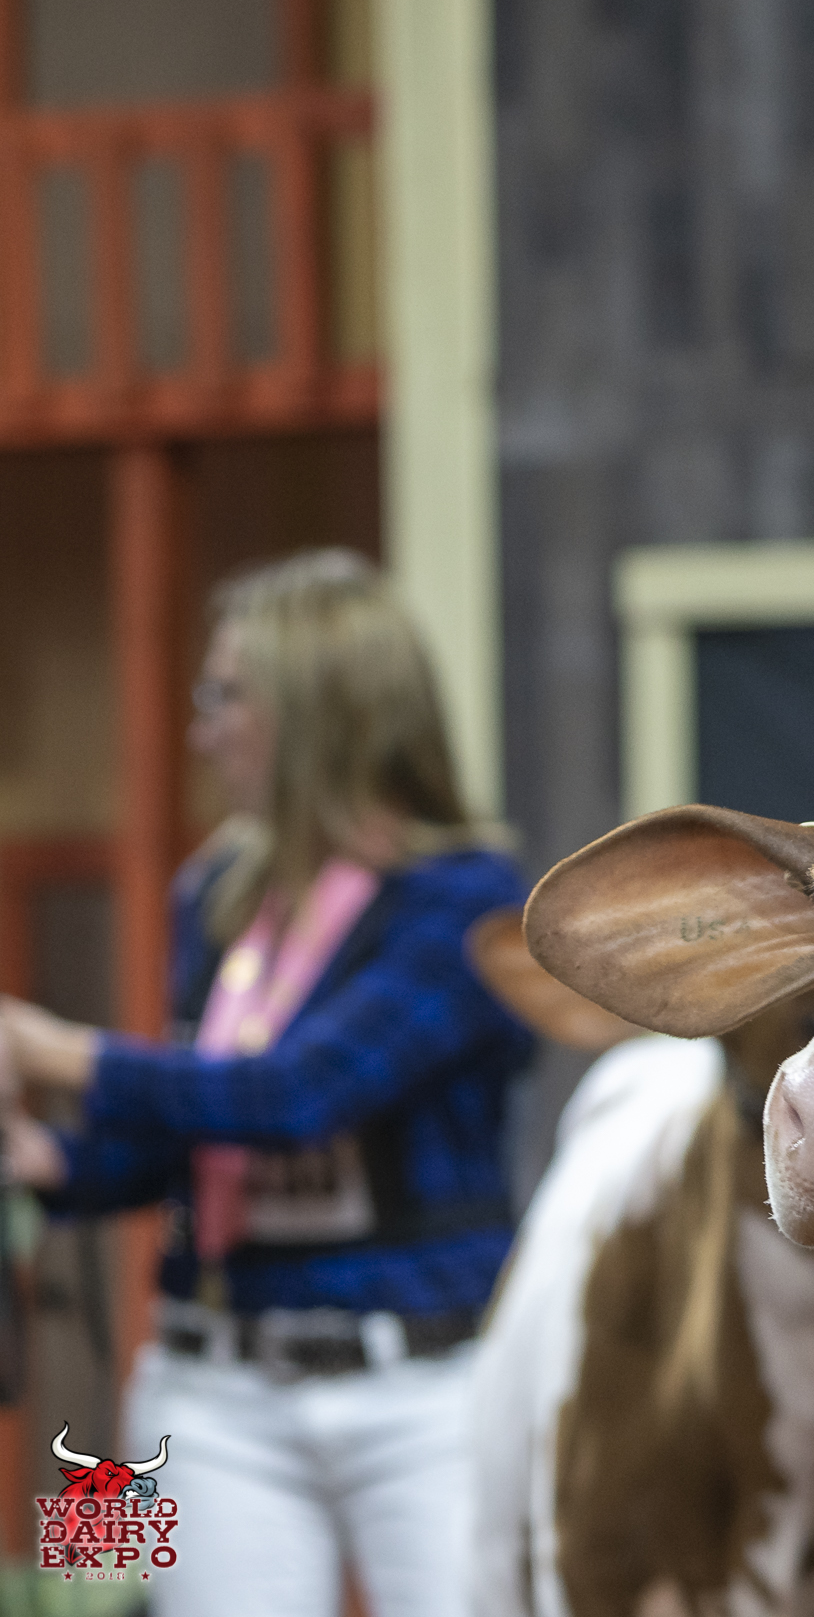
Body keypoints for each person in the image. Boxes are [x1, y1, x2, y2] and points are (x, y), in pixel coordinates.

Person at [1, 549, 530, 1617]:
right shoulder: (218, 889)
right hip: (212, 1385)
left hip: (425, 1386)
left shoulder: (466, 901)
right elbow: (197, 1130)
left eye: (223, 696)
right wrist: (45, 1160)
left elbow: (300, 1094)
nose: (201, 730)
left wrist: (52, 1051)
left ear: (316, 713)